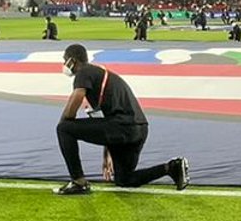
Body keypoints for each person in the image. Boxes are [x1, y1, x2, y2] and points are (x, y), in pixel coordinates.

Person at [55, 43, 189, 196]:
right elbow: (103, 120)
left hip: (122, 126)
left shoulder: (84, 72)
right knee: (124, 178)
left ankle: (79, 182)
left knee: (64, 129)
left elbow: (75, 100)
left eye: (65, 60)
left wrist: (63, 123)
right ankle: (171, 168)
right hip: (138, 129)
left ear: (72, 61)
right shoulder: (99, 74)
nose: (64, 64)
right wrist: (108, 152)